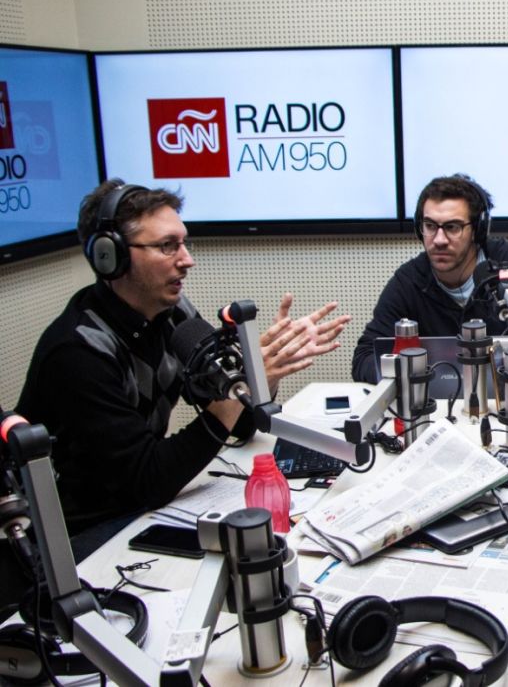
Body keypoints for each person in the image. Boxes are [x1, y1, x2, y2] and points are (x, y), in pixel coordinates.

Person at [16, 179, 351, 556]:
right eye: (166, 246)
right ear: (111, 256)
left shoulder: (174, 315)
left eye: (183, 243)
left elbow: (237, 423)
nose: (187, 259)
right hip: (84, 535)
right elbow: (147, 480)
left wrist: (260, 375)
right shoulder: (77, 352)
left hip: (146, 506)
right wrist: (240, 380)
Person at [352, 173, 508, 382]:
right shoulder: (409, 281)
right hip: (434, 410)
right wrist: (414, 379)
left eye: (452, 227)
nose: (438, 240)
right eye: (429, 225)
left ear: (477, 230)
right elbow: (364, 357)